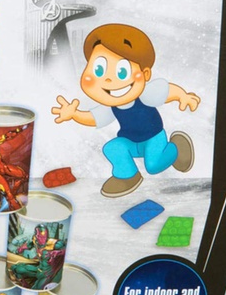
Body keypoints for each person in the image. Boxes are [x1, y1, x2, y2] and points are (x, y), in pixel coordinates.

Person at [52, 24, 200, 197]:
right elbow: (93, 118)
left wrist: (183, 96)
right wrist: (74, 114)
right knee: (112, 147)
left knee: (153, 166)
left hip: (153, 138)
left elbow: (167, 91)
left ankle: (176, 148)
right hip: (130, 141)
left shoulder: (146, 94)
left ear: (145, 74)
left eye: (122, 72)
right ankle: (127, 176)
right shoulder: (110, 105)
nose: (108, 79)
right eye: (98, 70)